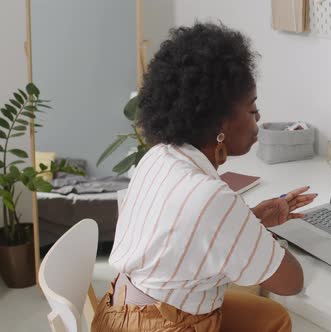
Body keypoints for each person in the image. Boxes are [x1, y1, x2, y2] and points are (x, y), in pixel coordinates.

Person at [92, 22, 317, 332]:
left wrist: (250, 220)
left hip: (123, 313)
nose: (258, 118)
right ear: (220, 122)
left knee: (272, 319)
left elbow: (185, 237)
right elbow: (292, 282)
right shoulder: (210, 197)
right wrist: (253, 235)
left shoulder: (159, 156)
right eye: (252, 110)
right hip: (164, 325)